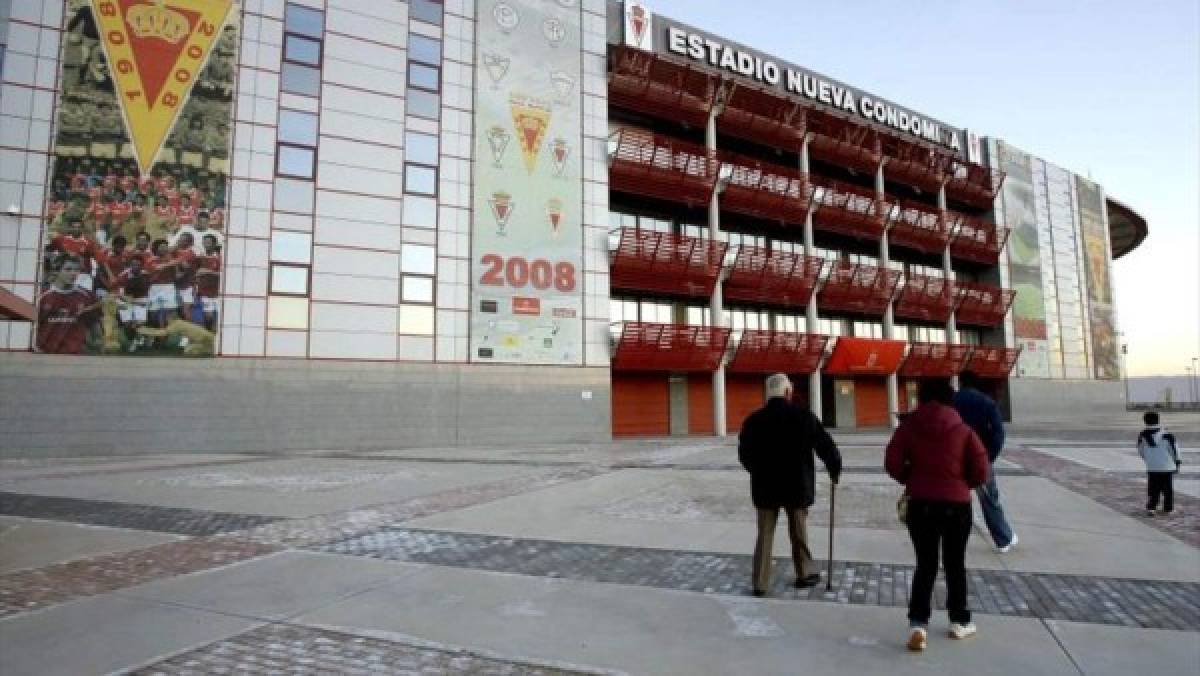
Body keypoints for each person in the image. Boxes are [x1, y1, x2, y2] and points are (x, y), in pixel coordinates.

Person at [885, 378, 989, 651]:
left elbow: (892, 461)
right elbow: (981, 468)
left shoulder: (909, 427)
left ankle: (918, 622)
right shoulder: (963, 430)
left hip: (921, 504)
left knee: (926, 563)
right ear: (949, 399)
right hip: (956, 505)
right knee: (955, 563)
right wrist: (963, 483)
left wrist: (911, 477)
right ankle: (959, 620)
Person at [737, 373, 842, 596]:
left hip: (765, 488)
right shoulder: (804, 417)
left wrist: (757, 470)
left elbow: (744, 454)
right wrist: (835, 468)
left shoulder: (753, 420)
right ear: (787, 392)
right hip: (797, 486)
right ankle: (803, 573)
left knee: (764, 535)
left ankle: (760, 582)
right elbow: (825, 445)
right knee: (798, 532)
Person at [954, 370, 1018, 553]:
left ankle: (953, 542)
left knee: (955, 500)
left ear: (961, 382)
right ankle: (1003, 539)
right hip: (980, 458)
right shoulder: (986, 402)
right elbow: (999, 432)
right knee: (989, 500)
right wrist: (990, 456)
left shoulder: (953, 402)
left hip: (956, 457)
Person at [36, 256, 99, 354]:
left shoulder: (87, 296)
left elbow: (94, 324)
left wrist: (96, 344)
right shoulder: (41, 296)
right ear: (56, 271)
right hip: (45, 354)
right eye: (68, 269)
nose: (73, 273)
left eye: (76, 270)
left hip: (76, 355)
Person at [1137, 411, 1181, 516]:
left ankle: (1151, 507)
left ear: (1145, 421)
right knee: (1168, 489)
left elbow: (1141, 450)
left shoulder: (1142, 435)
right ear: (1158, 420)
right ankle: (1168, 509)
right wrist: (1177, 462)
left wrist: (1149, 459)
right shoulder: (1167, 435)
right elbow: (1174, 450)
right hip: (1167, 466)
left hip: (1152, 466)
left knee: (1153, 488)